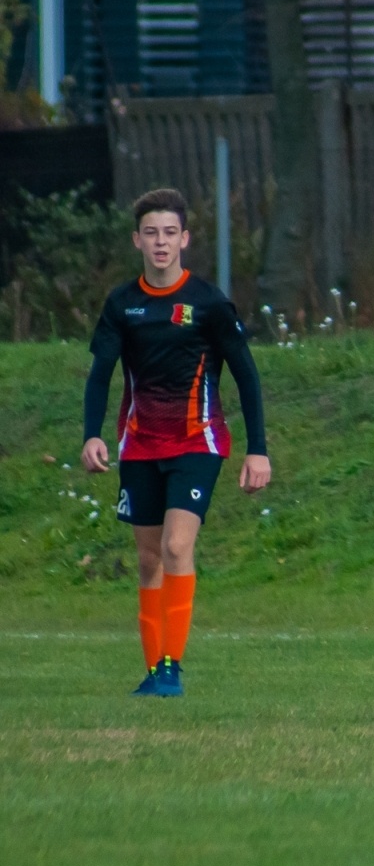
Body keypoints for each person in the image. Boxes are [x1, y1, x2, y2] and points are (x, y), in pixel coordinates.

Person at [81, 187, 271, 697]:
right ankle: (153, 670)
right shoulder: (123, 305)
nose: (161, 242)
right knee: (148, 560)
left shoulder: (207, 303)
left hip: (197, 442)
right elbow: (100, 373)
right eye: (151, 233)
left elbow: (246, 375)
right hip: (140, 445)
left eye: (170, 233)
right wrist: (92, 436)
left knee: (176, 544)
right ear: (137, 240)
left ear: (184, 239)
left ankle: (171, 668)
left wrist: (258, 448)